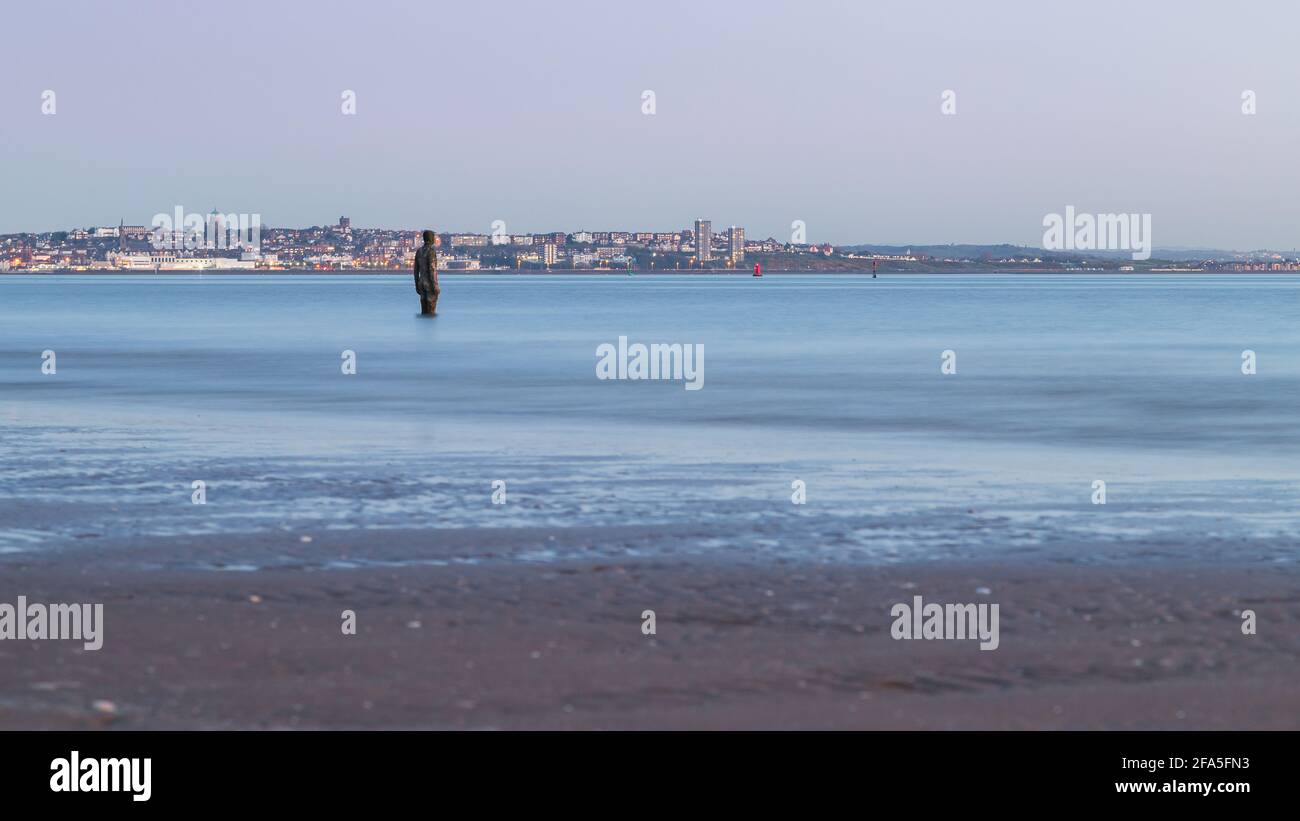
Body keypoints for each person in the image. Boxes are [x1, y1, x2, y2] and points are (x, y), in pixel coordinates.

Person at [414, 230, 440, 315]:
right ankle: (429, 326)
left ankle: (424, 325)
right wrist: (435, 286)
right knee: (431, 311)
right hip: (429, 284)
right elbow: (432, 269)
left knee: (424, 310)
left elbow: (416, 270)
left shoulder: (419, 251)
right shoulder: (431, 251)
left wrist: (417, 285)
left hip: (421, 283)